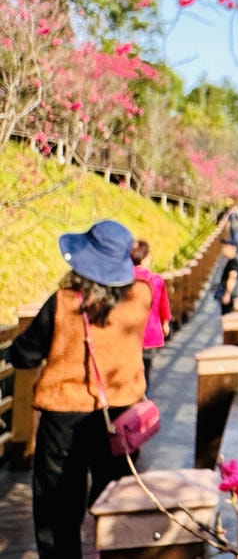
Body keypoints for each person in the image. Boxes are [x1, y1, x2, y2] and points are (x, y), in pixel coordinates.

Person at [11, 219, 152, 559]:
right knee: (117, 500)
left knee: (58, 506)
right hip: (120, 416)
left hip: (64, 416)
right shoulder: (141, 297)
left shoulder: (63, 303)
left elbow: (25, 354)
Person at [131, 239, 171, 390]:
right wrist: (165, 323)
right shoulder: (156, 279)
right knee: (145, 369)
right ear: (146, 257)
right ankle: (143, 397)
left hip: (129, 332)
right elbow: (163, 304)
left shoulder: (123, 279)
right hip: (150, 331)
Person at [215, 241, 238, 315]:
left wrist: (227, 294)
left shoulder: (233, 263)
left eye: (227, 246)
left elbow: (232, 277)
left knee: (227, 317)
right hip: (228, 295)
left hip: (229, 297)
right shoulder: (231, 261)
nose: (224, 248)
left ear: (233, 248)